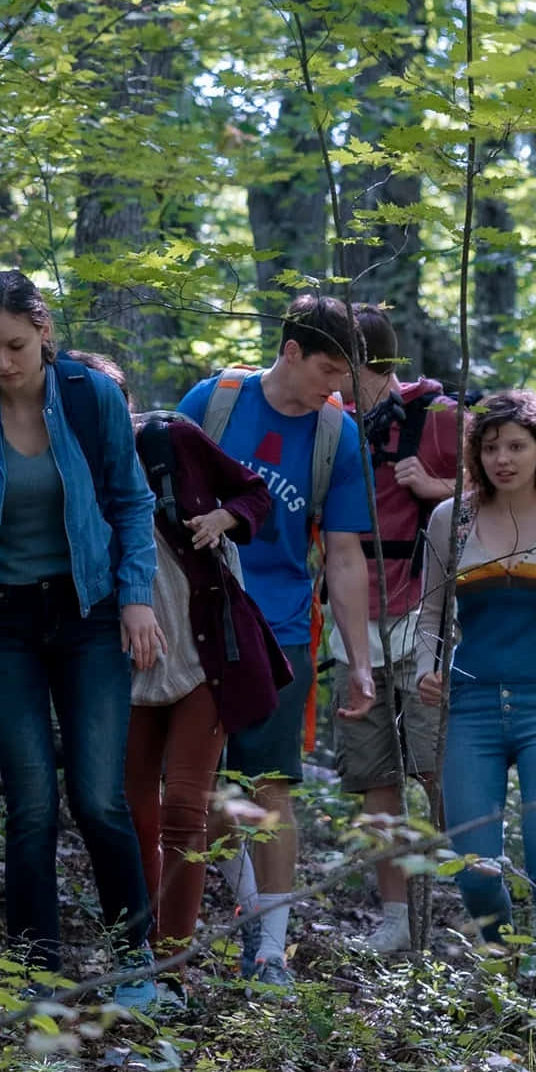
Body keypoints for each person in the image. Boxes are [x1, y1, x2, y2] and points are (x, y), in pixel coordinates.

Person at [0, 273, 164, 1007]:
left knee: (99, 797)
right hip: (2, 621)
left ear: (45, 332)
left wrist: (136, 599)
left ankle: (134, 970)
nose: (3, 362)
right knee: (31, 802)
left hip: (88, 613)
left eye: (16, 346)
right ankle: (37, 976)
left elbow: (131, 498)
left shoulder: (91, 399)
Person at [65, 353, 290, 993]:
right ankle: (136, 955)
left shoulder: (170, 438)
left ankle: (171, 966)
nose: (97, 413)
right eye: (81, 401)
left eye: (108, 399)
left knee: (186, 810)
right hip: (122, 665)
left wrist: (225, 518)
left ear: (126, 401)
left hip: (201, 655)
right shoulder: (57, 469)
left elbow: (253, 491)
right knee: (132, 812)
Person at [415, 389, 536, 1072]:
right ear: (476, 453)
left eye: (516, 446)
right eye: (490, 446)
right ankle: (497, 970)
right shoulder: (451, 519)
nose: (502, 458)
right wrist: (425, 669)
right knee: (474, 869)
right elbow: (431, 615)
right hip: (468, 708)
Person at [181, 295, 376, 988]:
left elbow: (346, 555)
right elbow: (157, 501)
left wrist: (360, 660)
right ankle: (249, 907)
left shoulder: (338, 435)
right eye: (328, 367)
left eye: (347, 373)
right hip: (199, 619)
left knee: (271, 787)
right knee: (196, 786)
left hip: (285, 628)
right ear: (290, 351)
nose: (339, 386)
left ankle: (270, 949)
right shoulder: (216, 401)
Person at [334, 304, 460, 953]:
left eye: (344, 368)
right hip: (349, 626)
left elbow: (508, 483)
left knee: (441, 768)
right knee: (375, 777)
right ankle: (394, 921)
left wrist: (436, 485)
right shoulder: (328, 421)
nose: (335, 380)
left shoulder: (437, 416)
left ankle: (468, 904)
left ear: (372, 364)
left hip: (425, 618)